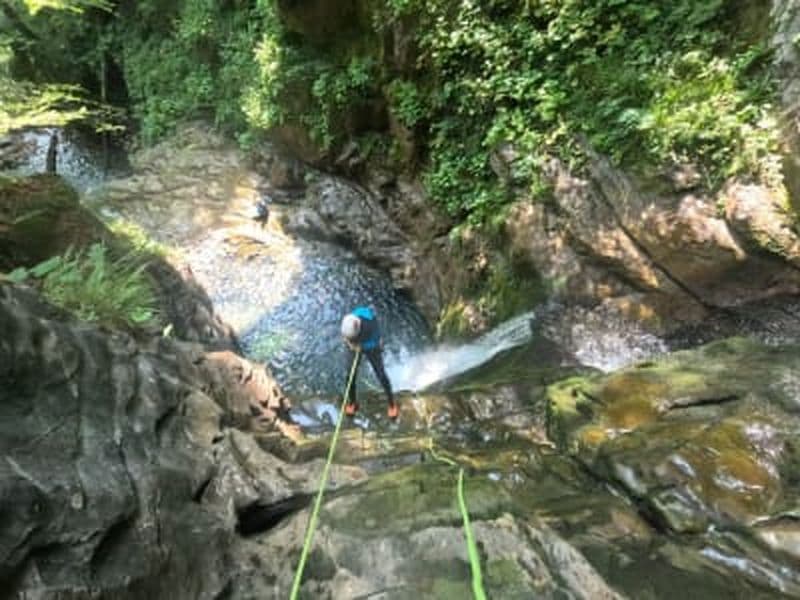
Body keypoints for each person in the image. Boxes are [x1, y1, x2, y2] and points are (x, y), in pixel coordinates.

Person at [340, 306, 398, 420]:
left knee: (381, 375)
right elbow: (345, 338)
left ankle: (392, 404)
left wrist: (362, 346)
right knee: (349, 376)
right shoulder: (348, 321)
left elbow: (374, 341)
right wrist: (350, 344)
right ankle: (353, 402)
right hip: (353, 345)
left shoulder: (370, 324)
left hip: (370, 345)